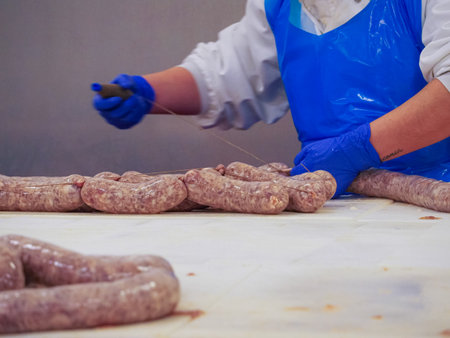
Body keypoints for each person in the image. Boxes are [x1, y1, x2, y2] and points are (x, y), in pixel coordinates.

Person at [92, 0, 450, 197]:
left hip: (437, 199)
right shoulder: (281, 4)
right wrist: (150, 92)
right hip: (331, 203)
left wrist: (355, 150)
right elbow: (231, 71)